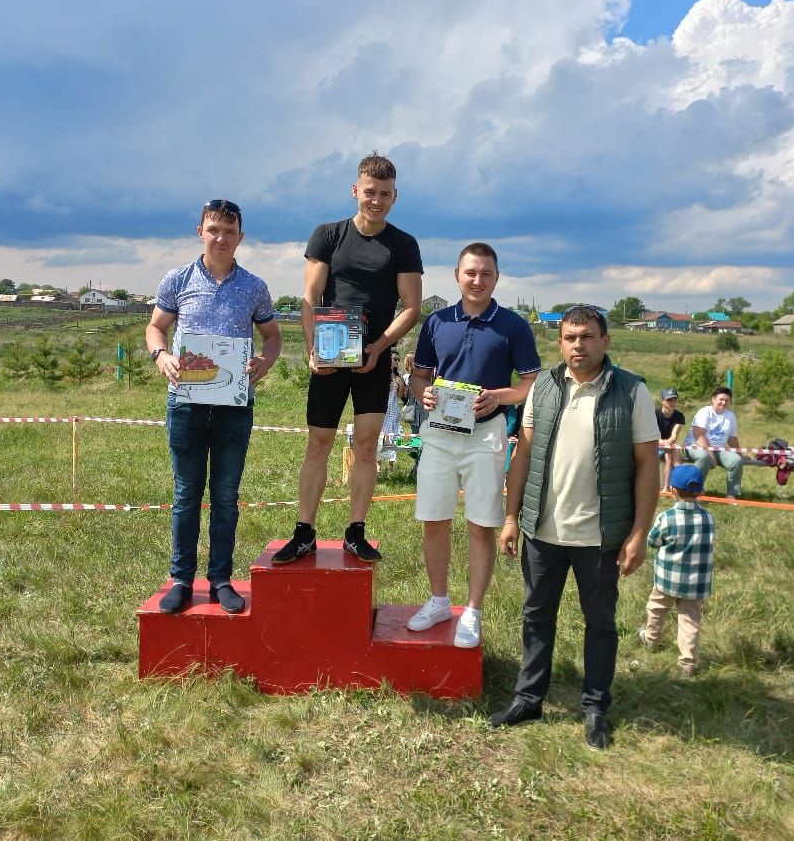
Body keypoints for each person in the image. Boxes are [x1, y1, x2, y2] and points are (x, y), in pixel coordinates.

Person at [489, 305, 659, 750]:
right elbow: (523, 455)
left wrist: (639, 532)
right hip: (543, 531)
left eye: (586, 337)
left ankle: (596, 707)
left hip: (601, 536)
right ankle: (529, 700)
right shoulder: (543, 386)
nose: (577, 345)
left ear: (605, 341)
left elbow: (646, 466)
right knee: (536, 616)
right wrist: (511, 518)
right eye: (569, 337)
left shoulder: (632, 392)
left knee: (600, 622)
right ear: (559, 342)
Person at [273, 153, 423, 565]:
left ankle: (356, 532)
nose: (376, 200)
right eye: (369, 192)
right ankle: (304, 531)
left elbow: (412, 307)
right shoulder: (328, 235)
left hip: (374, 359)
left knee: (366, 446)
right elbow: (310, 298)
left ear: (395, 197)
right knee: (318, 443)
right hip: (331, 355)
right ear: (355, 191)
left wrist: (379, 348)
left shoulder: (403, 244)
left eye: (385, 194)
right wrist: (311, 350)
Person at [145, 199, 282, 614]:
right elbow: (155, 327)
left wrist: (264, 362)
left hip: (234, 407)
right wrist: (161, 356)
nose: (221, 238)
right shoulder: (177, 279)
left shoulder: (255, 287)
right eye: (214, 229)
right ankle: (181, 579)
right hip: (185, 404)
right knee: (187, 495)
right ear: (200, 231)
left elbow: (273, 337)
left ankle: (221, 579)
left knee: (225, 496)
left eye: (229, 231)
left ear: (241, 237)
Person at [405, 243, 541, 648]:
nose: (477, 280)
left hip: (486, 434)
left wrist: (500, 396)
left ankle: (473, 612)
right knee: (434, 519)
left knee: (481, 525)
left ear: (496, 278)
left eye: (485, 274)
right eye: (470, 273)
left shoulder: (514, 326)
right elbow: (420, 378)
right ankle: (439, 601)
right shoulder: (437, 321)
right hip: (440, 434)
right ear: (457, 275)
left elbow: (529, 384)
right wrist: (423, 395)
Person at [638, 465, 716, 677]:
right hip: (696, 583)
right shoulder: (709, 518)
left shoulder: (667, 517)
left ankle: (651, 639)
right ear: (700, 491)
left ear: (672, 489)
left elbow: (653, 541)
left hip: (667, 580)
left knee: (656, 609)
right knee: (690, 620)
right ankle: (688, 662)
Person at [683, 387, 743, 500]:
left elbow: (732, 439)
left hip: (718, 449)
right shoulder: (705, 412)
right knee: (704, 456)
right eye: (721, 399)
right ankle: (693, 491)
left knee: (736, 460)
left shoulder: (731, 416)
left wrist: (740, 454)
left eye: (727, 400)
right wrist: (710, 454)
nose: (724, 402)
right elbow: (698, 434)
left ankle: (732, 494)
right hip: (695, 445)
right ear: (713, 399)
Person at [656, 387, 685, 485]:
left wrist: (667, 443)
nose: (672, 402)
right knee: (670, 453)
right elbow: (650, 435)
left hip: (669, 444)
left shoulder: (679, 416)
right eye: (669, 400)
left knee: (673, 455)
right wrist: (662, 442)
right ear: (662, 401)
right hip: (654, 444)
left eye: (674, 399)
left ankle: (681, 485)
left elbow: (674, 435)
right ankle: (668, 487)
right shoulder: (654, 413)